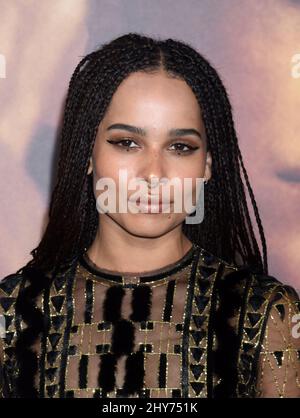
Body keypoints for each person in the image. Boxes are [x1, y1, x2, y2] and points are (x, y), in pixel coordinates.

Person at [0, 33, 299, 398]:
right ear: (87, 154)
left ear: (206, 165)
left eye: (180, 147)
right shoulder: (13, 314)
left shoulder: (265, 314)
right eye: (127, 143)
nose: (154, 173)